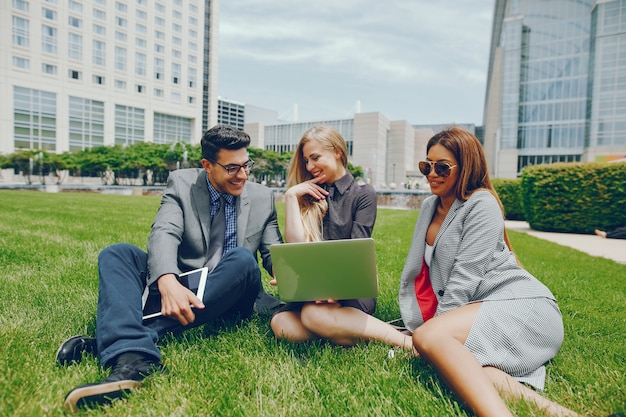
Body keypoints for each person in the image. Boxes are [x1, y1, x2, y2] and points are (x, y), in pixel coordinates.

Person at [56, 125, 284, 412]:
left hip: (235, 287)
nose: (242, 175)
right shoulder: (182, 183)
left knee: (241, 258)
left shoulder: (263, 197)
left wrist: (289, 273)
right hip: (187, 281)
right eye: (232, 168)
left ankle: (120, 343)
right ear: (207, 166)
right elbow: (164, 231)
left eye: (246, 165)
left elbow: (273, 252)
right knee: (118, 253)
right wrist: (166, 279)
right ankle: (135, 359)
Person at [398, 127, 582, 417]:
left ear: (466, 166)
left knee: (430, 339)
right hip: (481, 307)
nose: (432, 173)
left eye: (442, 167)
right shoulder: (429, 206)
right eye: (427, 165)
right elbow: (424, 274)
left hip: (524, 306)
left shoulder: (481, 204)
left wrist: (432, 329)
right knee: (480, 370)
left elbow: (464, 279)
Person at [270, 125, 412, 350]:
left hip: (349, 289)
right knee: (282, 325)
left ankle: (408, 344)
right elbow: (296, 248)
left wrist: (332, 290)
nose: (310, 166)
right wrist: (291, 197)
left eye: (315, 158)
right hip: (312, 291)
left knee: (312, 316)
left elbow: (356, 255)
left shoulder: (362, 194)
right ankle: (372, 330)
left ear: (337, 151)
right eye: (306, 160)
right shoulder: (306, 194)